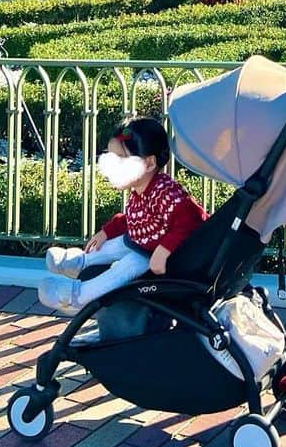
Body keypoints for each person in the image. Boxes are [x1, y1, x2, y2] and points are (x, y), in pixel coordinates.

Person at [38, 119, 205, 313]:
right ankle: (81, 262)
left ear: (149, 163)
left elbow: (192, 219)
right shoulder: (143, 190)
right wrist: (107, 232)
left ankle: (79, 296)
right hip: (144, 245)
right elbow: (133, 218)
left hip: (163, 257)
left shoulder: (167, 193)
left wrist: (164, 250)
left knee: (127, 266)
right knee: (123, 242)